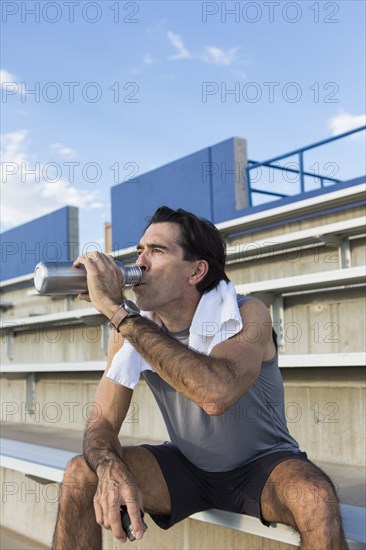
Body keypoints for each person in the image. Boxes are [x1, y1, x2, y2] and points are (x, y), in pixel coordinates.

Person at [52, 206, 347, 550]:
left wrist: (119, 312)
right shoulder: (129, 328)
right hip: (188, 466)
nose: (141, 262)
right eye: (140, 251)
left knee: (314, 498)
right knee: (80, 474)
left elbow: (215, 395)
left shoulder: (249, 313)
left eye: (157, 251)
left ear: (196, 271)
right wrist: (108, 467)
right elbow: (101, 424)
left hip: (262, 467)